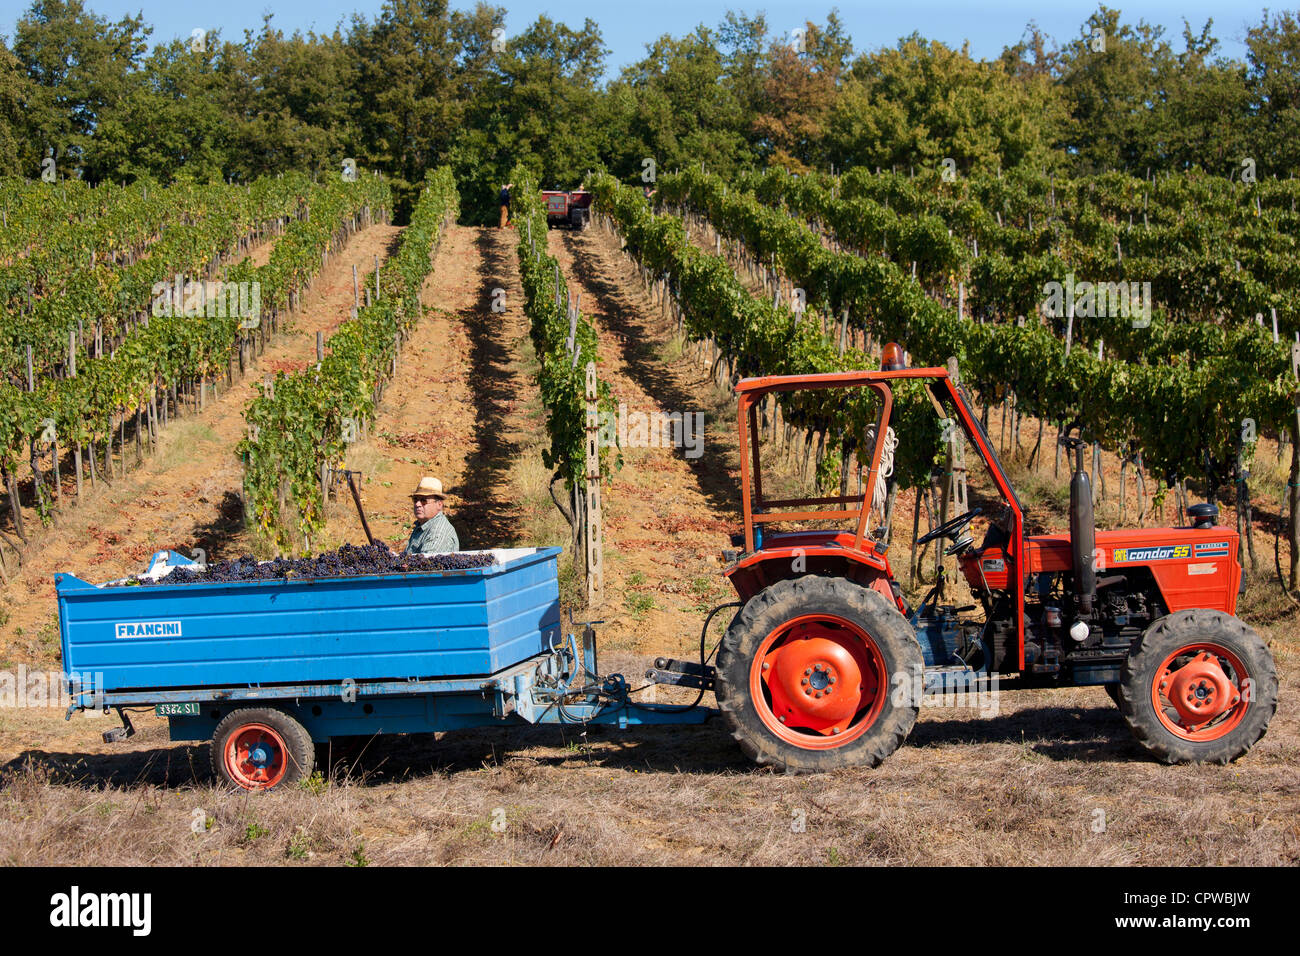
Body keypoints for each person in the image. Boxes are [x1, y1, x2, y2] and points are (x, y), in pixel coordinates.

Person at [399, 477, 460, 554]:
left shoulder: (438, 533)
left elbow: (425, 564)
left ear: (439, 505)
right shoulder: (423, 525)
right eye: (415, 500)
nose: (418, 504)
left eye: (423, 501)